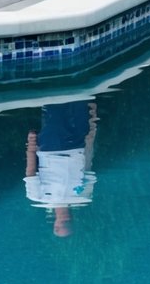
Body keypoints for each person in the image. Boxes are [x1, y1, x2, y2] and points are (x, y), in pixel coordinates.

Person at [24, 100, 99, 237]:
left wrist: (31, 144)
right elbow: (88, 166)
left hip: (51, 148)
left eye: (63, 224)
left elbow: (30, 172)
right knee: (81, 104)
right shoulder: (83, 197)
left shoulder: (37, 197)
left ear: (55, 225)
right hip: (77, 147)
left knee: (55, 108)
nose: (66, 220)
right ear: (74, 221)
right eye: (69, 223)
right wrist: (91, 133)